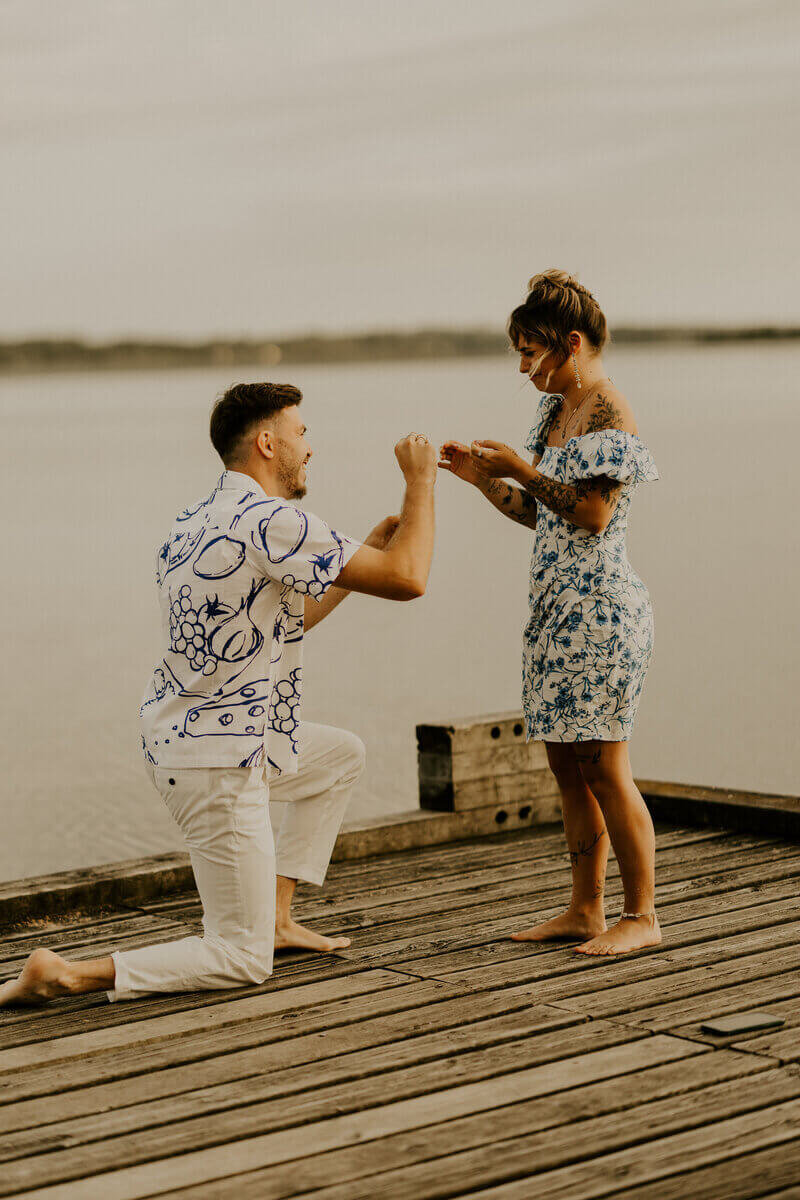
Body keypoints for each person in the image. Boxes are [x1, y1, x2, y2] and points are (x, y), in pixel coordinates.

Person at [1, 381, 436, 1006]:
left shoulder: (196, 520)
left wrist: (357, 556)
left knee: (339, 757)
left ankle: (279, 916)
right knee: (239, 955)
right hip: (216, 761)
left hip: (199, 738)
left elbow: (291, 618)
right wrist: (419, 481)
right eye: (300, 432)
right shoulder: (268, 521)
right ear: (267, 442)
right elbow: (408, 577)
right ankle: (68, 973)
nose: (309, 446)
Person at [440, 270, 660, 956]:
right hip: (555, 615)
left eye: (529, 351)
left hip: (600, 614)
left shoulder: (607, 411)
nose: (523, 366)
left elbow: (592, 515)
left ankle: (642, 916)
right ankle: (586, 908)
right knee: (567, 766)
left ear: (569, 344)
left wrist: (520, 469)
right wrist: (485, 481)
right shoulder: (553, 413)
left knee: (605, 765)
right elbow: (541, 516)